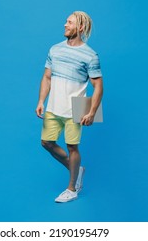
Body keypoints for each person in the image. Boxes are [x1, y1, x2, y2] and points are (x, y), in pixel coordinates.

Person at [35, 11, 103, 203]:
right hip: (53, 105)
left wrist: (91, 112)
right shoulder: (55, 49)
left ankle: (72, 189)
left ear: (80, 27)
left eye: (70, 22)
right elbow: (47, 77)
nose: (65, 25)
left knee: (72, 146)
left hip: (76, 107)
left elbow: (98, 86)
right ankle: (77, 169)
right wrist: (41, 101)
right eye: (66, 21)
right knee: (46, 143)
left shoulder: (90, 55)